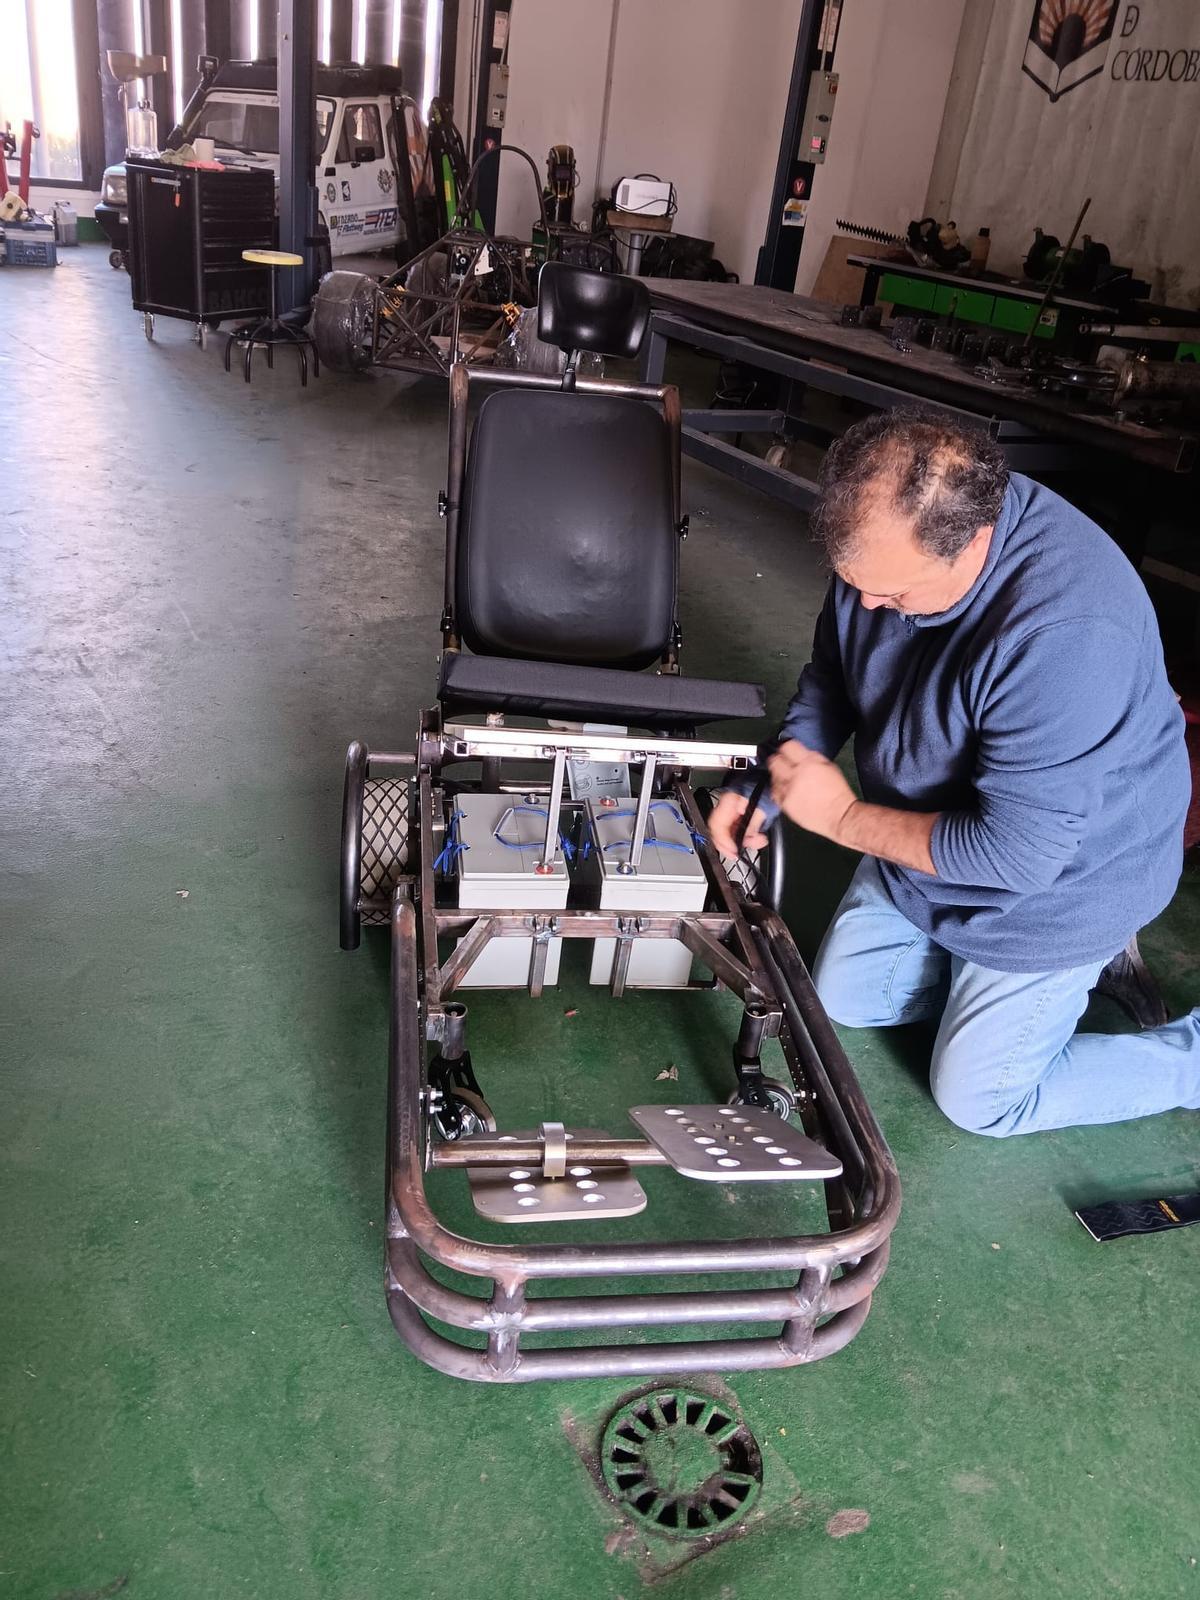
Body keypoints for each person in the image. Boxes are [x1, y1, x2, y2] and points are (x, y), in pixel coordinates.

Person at [708, 409, 1196, 1137]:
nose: (869, 605)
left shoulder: (1066, 633)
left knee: (980, 1101)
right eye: (855, 585)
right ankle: (983, 980)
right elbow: (833, 678)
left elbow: (1018, 855)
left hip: (1061, 883)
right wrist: (769, 786)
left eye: (893, 596)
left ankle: (1178, 1048)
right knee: (841, 999)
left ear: (972, 543)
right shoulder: (882, 547)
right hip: (931, 831)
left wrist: (841, 819)